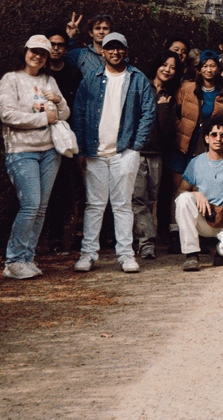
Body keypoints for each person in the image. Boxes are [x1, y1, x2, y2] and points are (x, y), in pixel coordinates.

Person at [70, 32, 156, 274]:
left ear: (126, 51)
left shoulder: (137, 78)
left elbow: (148, 113)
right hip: (95, 153)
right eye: (110, 48)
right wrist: (81, 150)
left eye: (120, 48)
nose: (115, 52)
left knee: (122, 205)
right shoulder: (90, 79)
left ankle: (126, 255)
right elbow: (78, 114)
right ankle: (88, 254)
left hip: (125, 152)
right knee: (94, 205)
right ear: (103, 52)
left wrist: (135, 146)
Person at [0, 35, 69, 279]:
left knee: (40, 209)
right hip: (21, 151)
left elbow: (64, 113)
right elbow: (8, 115)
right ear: (25, 51)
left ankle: (28, 258)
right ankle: (14, 260)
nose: (38, 56)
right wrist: (42, 119)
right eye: (34, 51)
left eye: (43, 53)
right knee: (29, 206)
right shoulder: (11, 79)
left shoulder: (49, 80)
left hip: (49, 151)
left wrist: (59, 101)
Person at [172, 118, 223, 271]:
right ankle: (192, 254)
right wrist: (196, 194)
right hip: (204, 218)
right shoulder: (196, 162)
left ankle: (220, 251)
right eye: (214, 135)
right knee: (183, 199)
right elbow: (180, 191)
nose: (218, 139)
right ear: (207, 138)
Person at [132, 51, 181, 260]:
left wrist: (163, 109)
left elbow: (168, 131)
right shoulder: (141, 86)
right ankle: (145, 243)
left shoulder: (170, 95)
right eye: (164, 65)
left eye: (172, 67)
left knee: (150, 199)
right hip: (137, 151)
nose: (167, 70)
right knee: (137, 198)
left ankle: (144, 239)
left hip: (157, 153)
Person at [42, 27, 84, 254]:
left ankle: (56, 238)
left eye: (60, 45)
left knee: (61, 191)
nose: (56, 49)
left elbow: (78, 109)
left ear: (66, 49)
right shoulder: (39, 73)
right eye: (52, 45)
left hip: (65, 139)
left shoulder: (73, 74)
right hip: (39, 137)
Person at [175, 51, 223, 165]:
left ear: (218, 68)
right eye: (205, 66)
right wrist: (180, 128)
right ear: (199, 69)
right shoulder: (186, 88)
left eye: (212, 66)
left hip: (208, 145)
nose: (208, 70)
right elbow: (175, 113)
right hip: (183, 143)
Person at [64, 12, 112, 76]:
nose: (101, 32)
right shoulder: (79, 54)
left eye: (105, 28)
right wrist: (70, 37)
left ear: (110, 32)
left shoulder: (117, 55)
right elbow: (60, 60)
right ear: (91, 33)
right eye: (97, 28)